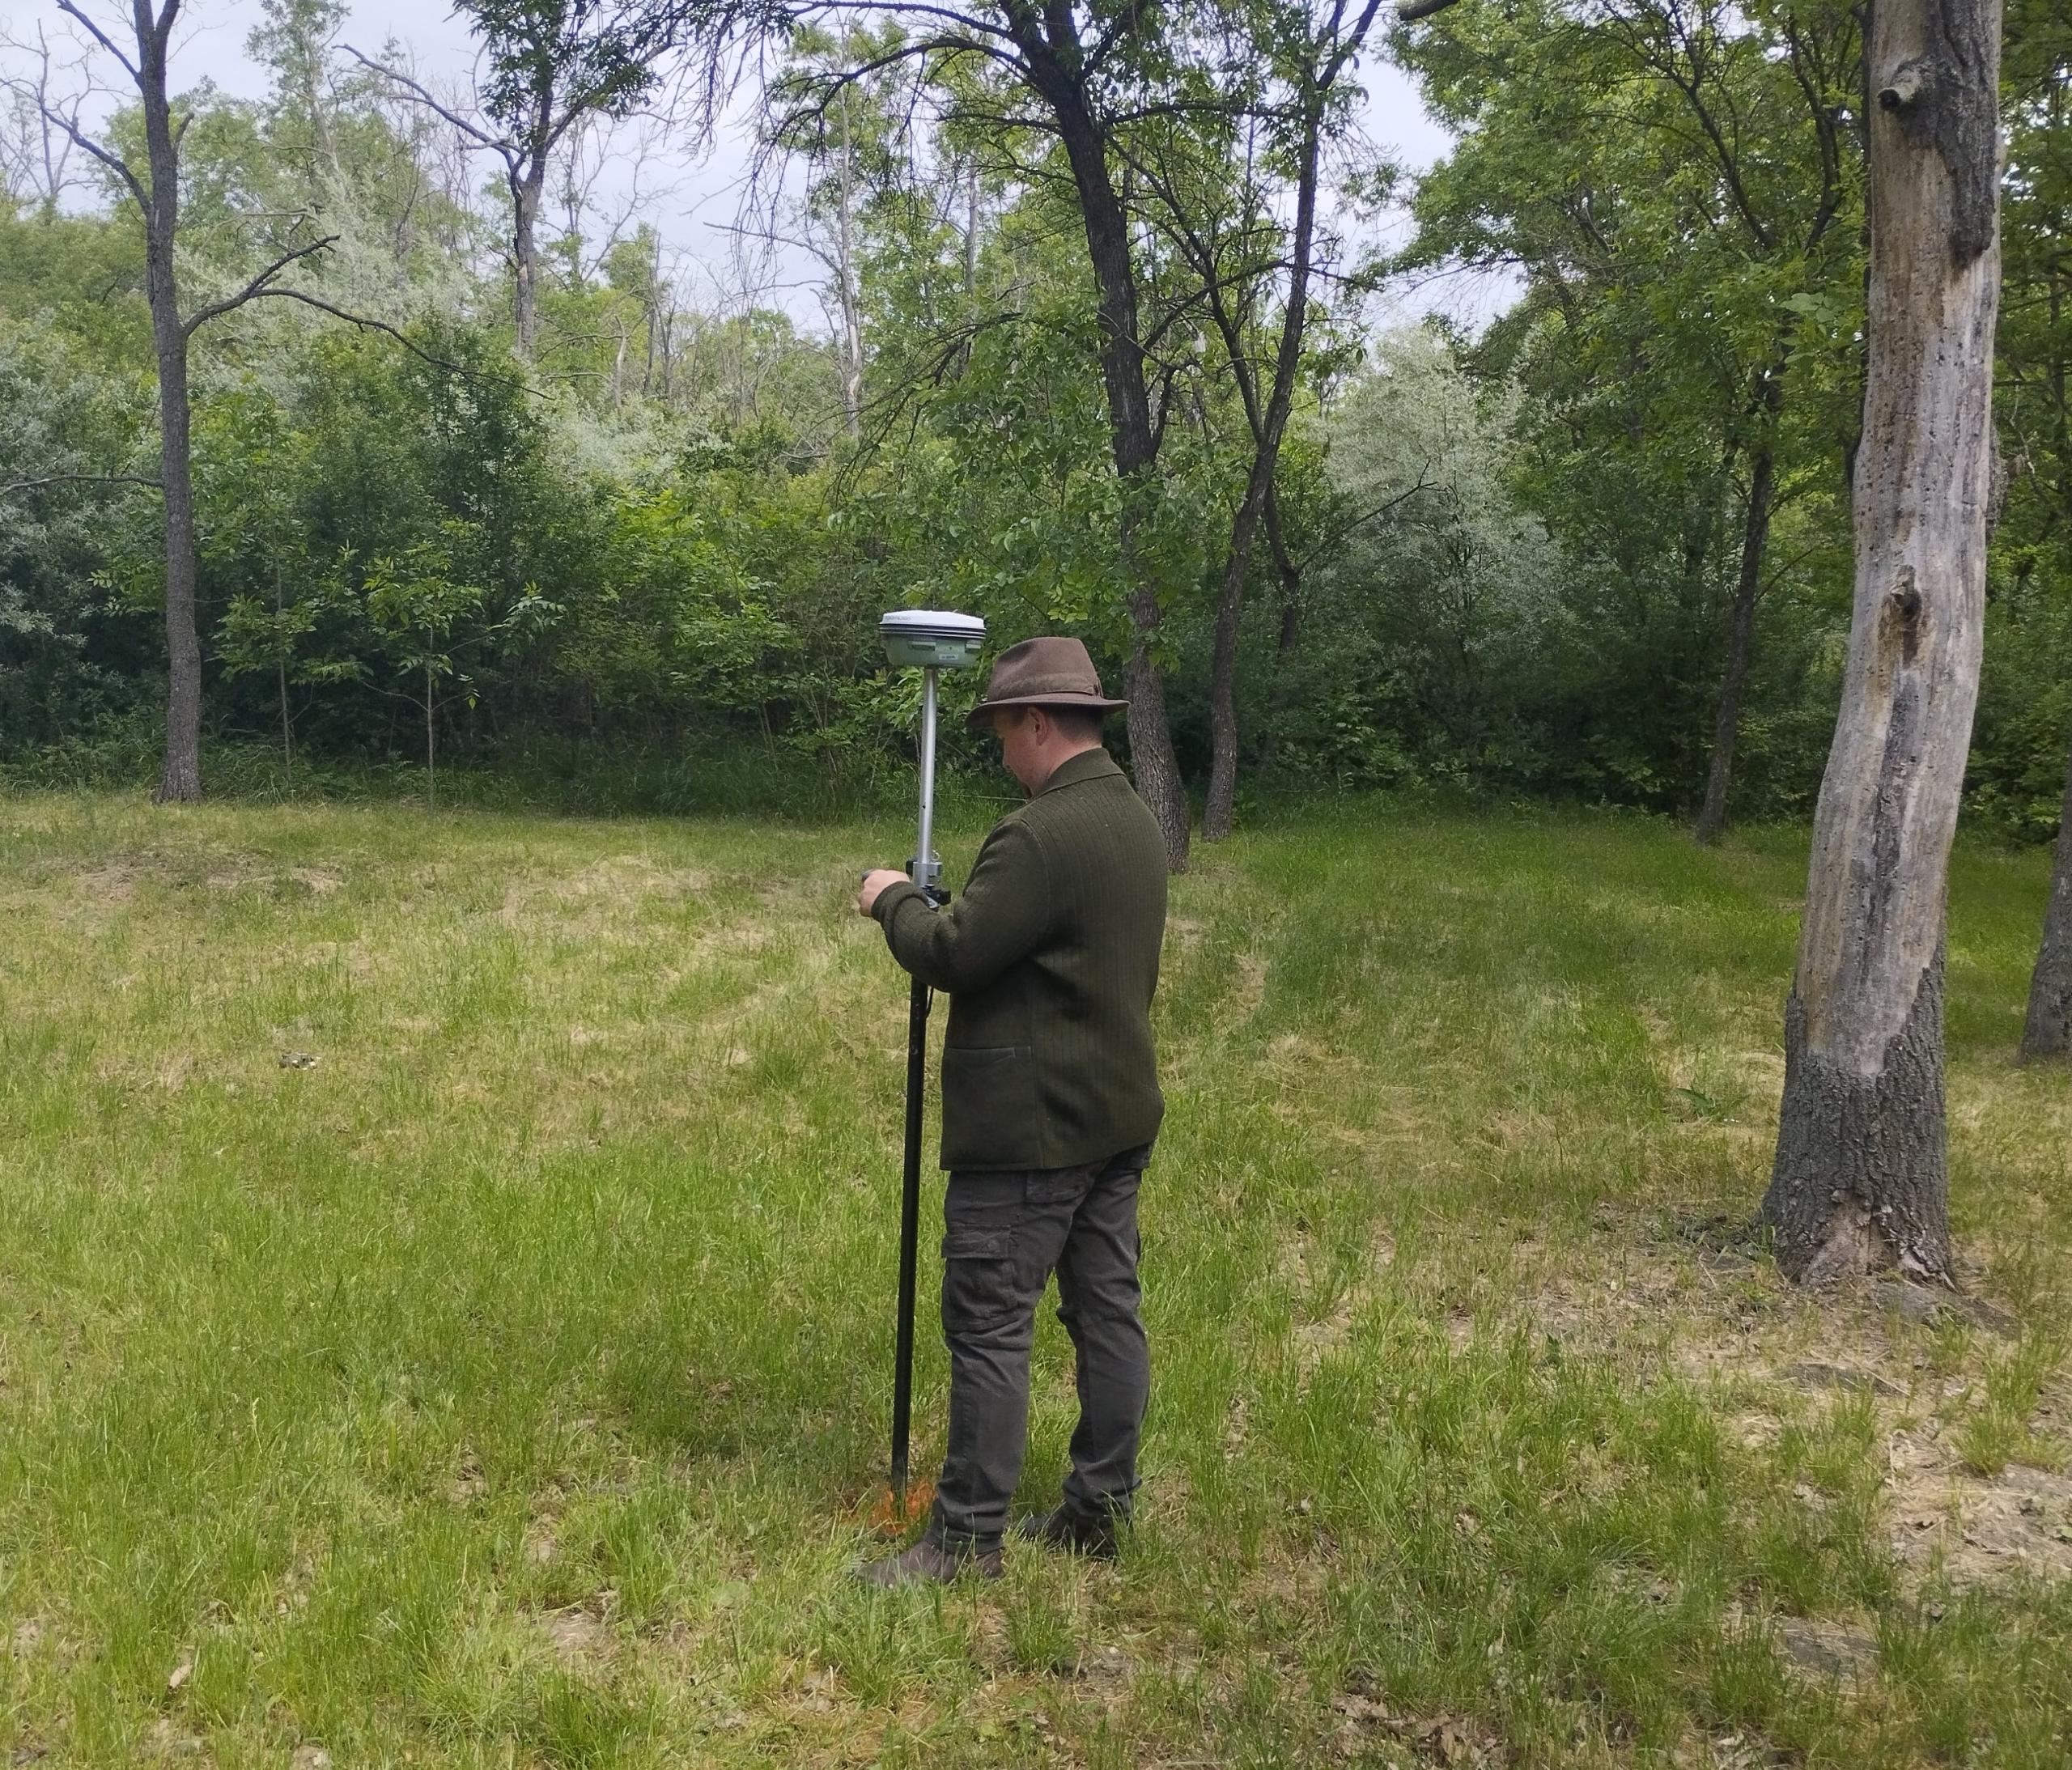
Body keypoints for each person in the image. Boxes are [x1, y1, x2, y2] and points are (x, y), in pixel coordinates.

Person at [852, 636, 1169, 1585]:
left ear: (1037, 722)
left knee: (989, 1325)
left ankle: (964, 1543)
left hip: (1032, 1129)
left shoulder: (1039, 834)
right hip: (1114, 1115)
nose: (1001, 754)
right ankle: (1100, 1512)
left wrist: (893, 900)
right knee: (1107, 1314)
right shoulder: (1133, 819)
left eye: (1001, 734)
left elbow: (955, 952)